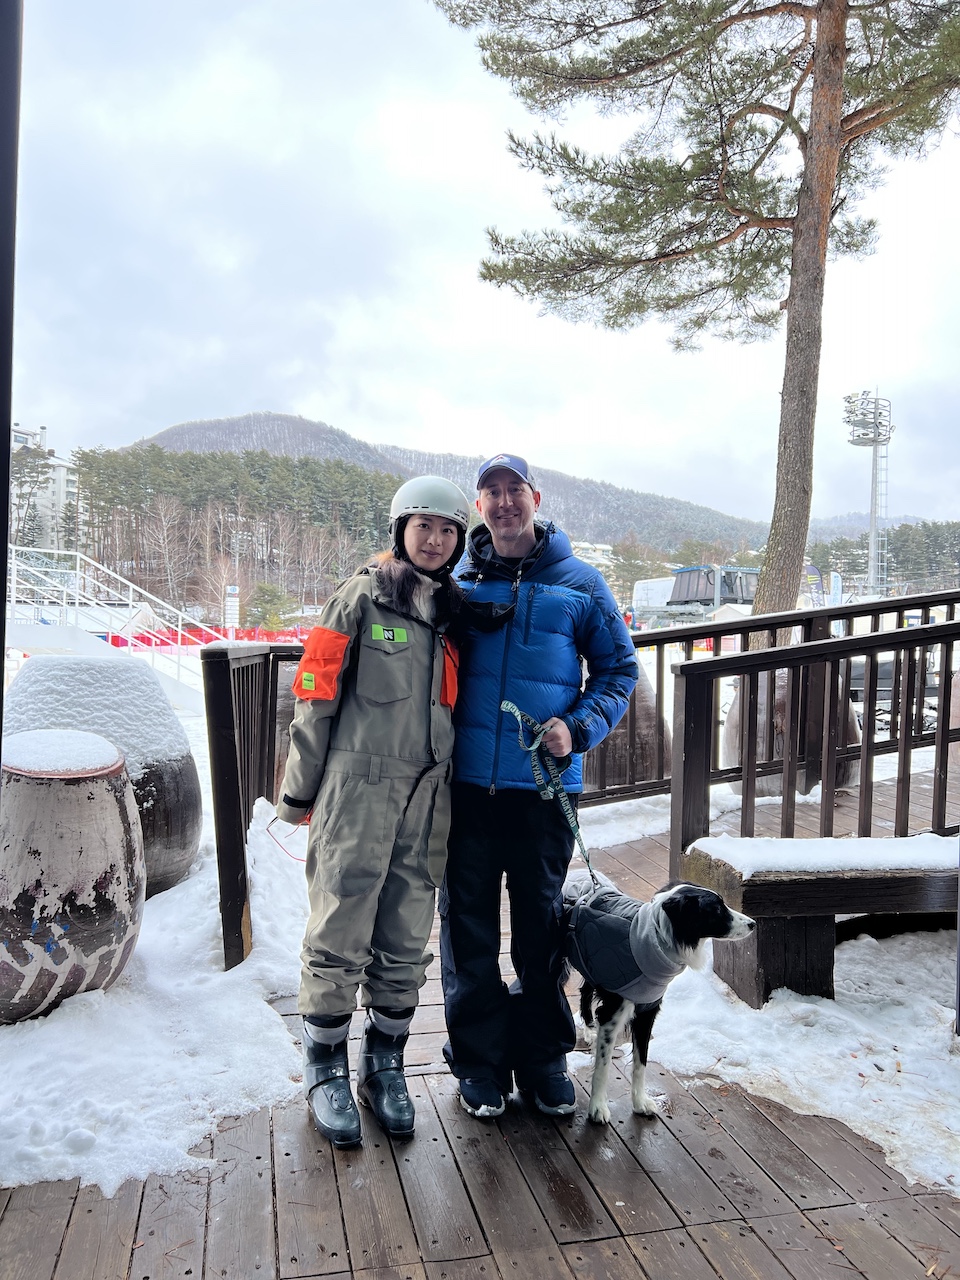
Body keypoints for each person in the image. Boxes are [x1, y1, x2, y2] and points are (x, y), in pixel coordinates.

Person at [440, 453, 639, 1119]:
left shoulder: (580, 582)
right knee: (466, 930)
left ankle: (544, 1058)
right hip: (466, 786)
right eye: (490, 492)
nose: (503, 503)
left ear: (535, 497)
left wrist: (576, 728)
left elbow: (619, 670)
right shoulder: (456, 581)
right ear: (478, 506)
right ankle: (479, 1062)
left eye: (513, 490)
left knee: (539, 931)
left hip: (543, 789)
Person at [275, 475, 470, 1148]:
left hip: (427, 799)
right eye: (424, 526)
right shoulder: (360, 596)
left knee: (406, 934)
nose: (436, 539)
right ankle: (324, 1066)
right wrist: (299, 790)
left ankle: (383, 1062)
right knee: (340, 925)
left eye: (448, 530)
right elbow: (314, 692)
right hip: (357, 794)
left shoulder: (453, 614)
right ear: (400, 530)